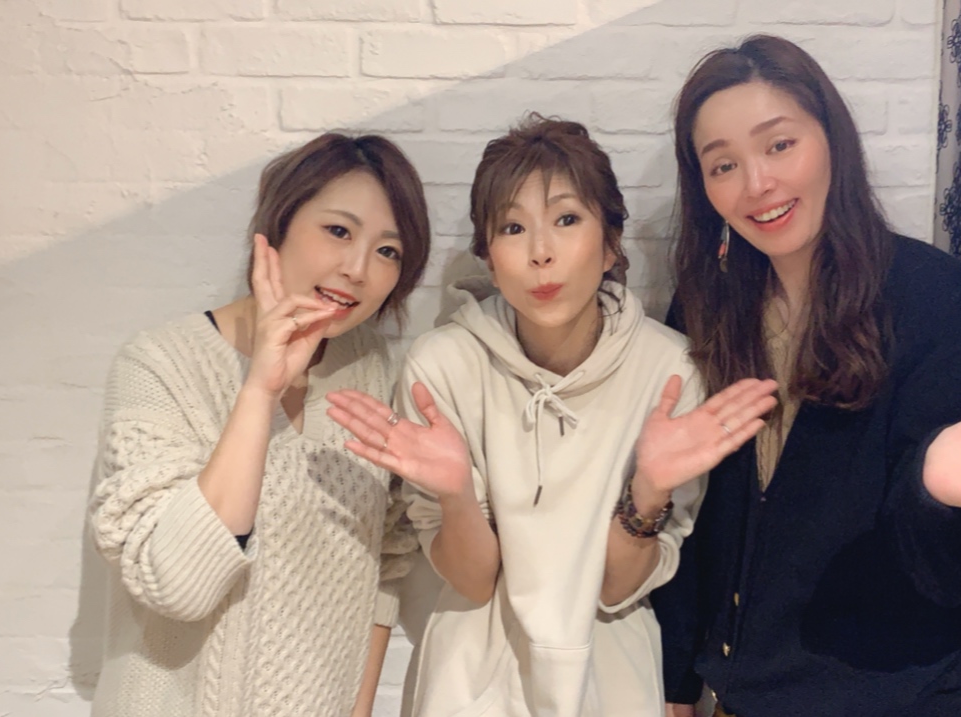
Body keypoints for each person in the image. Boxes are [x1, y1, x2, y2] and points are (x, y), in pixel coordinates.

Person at [651, 35, 961, 717]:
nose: (756, 183)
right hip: (744, 698)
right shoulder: (709, 307)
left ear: (832, 141)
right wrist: (676, 681)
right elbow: (695, 517)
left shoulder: (929, 296)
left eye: (779, 145)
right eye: (723, 164)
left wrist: (932, 492)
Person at [326, 115, 778, 717]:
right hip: (470, 679)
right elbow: (472, 581)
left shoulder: (669, 371)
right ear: (490, 259)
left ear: (611, 243)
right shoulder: (442, 366)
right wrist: (456, 495)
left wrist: (649, 491)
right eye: (513, 228)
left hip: (609, 678)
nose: (541, 253)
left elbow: (617, 588)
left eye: (566, 219)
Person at [87, 132, 430, 717]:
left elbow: (383, 564)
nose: (357, 269)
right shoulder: (160, 365)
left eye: (388, 251)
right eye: (338, 231)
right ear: (279, 223)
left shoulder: (374, 369)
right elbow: (177, 586)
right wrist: (260, 391)